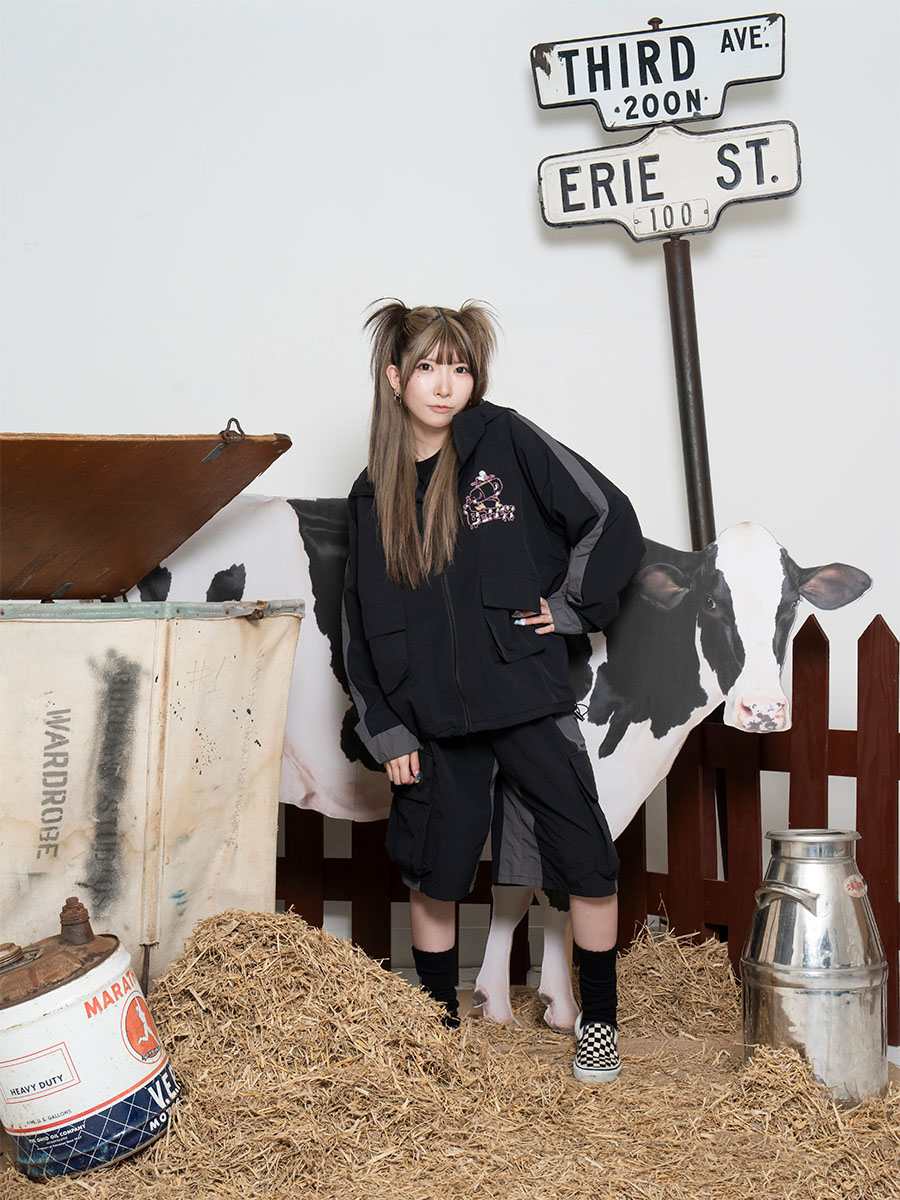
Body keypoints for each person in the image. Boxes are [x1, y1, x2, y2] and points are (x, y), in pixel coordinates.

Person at [341, 300, 644, 1082]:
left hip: (525, 692)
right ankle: (438, 1031)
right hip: (431, 719)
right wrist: (387, 729)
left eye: (460, 368)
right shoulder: (371, 496)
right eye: (428, 368)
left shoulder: (505, 439)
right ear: (395, 378)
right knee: (435, 872)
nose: (446, 385)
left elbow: (607, 514)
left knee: (588, 858)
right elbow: (356, 632)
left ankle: (599, 1025)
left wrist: (571, 607)